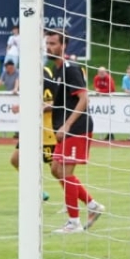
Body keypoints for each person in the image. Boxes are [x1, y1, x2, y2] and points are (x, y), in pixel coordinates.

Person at [45, 29, 102, 233]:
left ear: (64, 46)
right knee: (56, 169)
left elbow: (84, 98)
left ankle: (74, 222)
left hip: (76, 127)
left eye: (53, 44)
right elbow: (65, 101)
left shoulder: (70, 69)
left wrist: (67, 124)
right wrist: (47, 107)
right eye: (47, 43)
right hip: (65, 128)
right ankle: (92, 205)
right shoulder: (57, 70)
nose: (49, 47)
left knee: (65, 172)